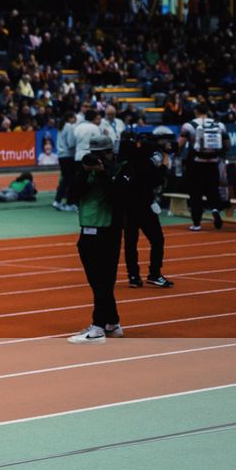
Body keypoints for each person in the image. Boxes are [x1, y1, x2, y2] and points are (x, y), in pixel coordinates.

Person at [68, 132, 125, 344]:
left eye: (100, 154)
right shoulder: (86, 171)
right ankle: (112, 322)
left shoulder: (119, 170)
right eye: (92, 154)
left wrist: (102, 173)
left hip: (107, 231)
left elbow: (117, 197)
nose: (96, 157)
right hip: (87, 230)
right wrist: (84, 173)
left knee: (103, 281)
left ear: (110, 153)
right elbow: (72, 196)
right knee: (97, 281)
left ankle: (98, 326)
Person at [121, 128, 174, 289]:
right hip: (144, 205)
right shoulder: (147, 160)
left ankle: (133, 276)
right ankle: (154, 273)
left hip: (127, 205)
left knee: (131, 242)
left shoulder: (125, 161)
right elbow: (155, 180)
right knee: (157, 239)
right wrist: (164, 165)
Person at [179, 103, 227, 231]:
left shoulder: (188, 126)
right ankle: (215, 210)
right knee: (213, 190)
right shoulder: (219, 125)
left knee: (196, 193)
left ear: (195, 111)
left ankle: (196, 223)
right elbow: (227, 144)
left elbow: (180, 145)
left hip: (195, 163)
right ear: (208, 111)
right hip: (213, 162)